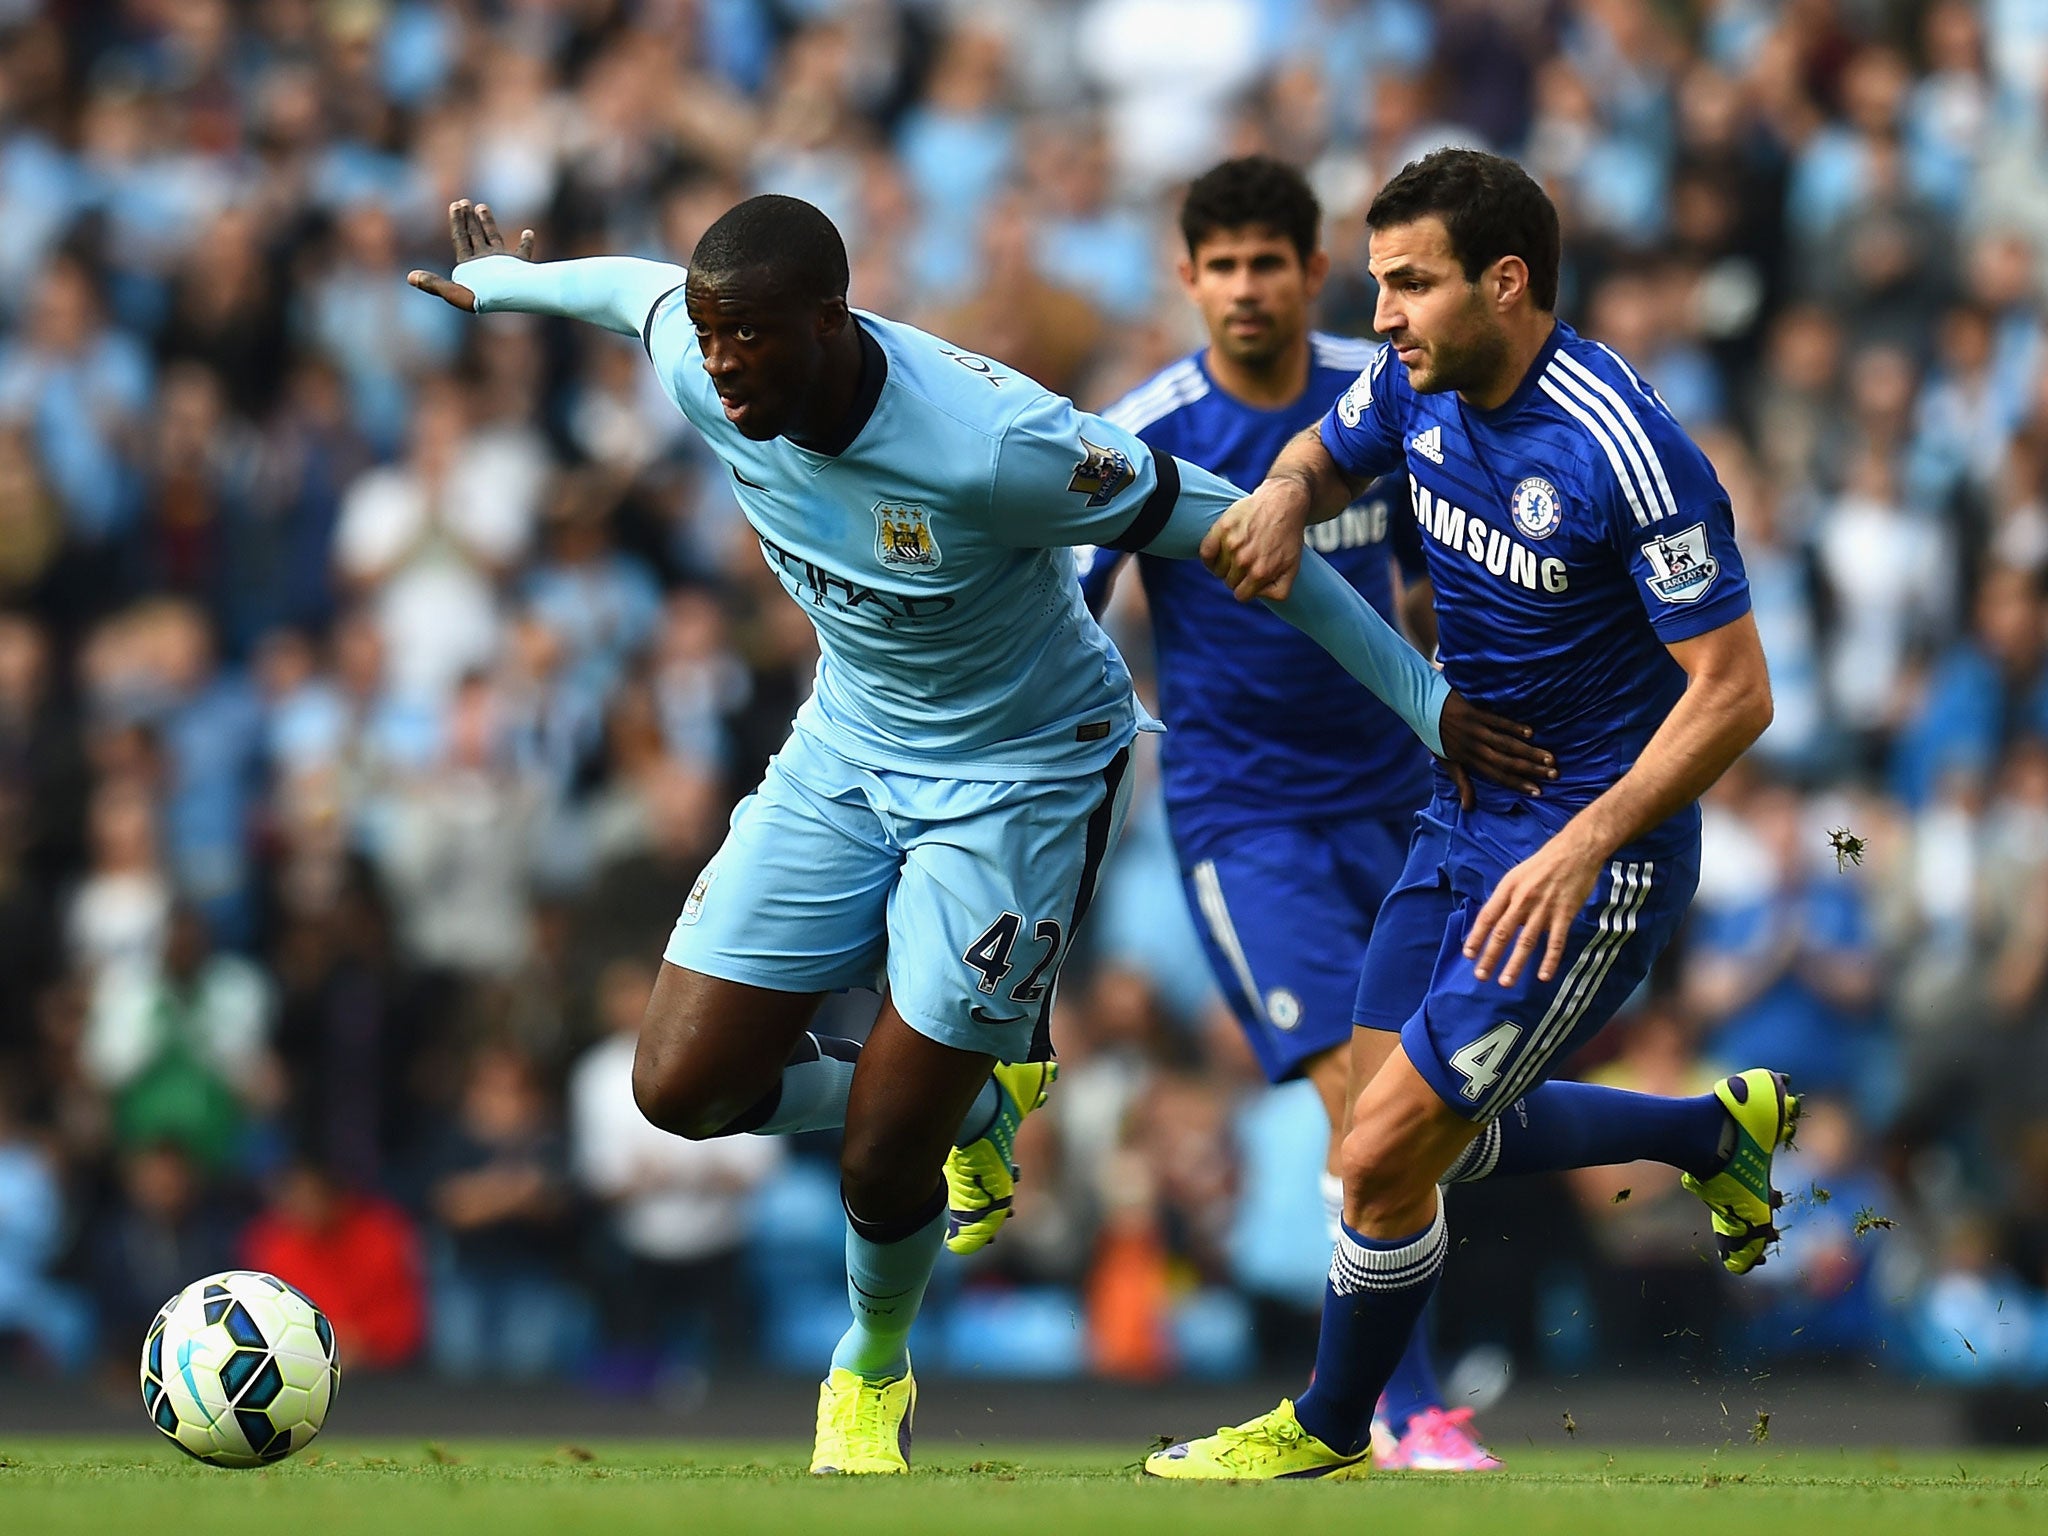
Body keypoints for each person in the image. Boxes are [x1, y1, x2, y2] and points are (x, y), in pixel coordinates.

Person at [409, 192, 1550, 1473]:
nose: (722, 366)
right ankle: (966, 1108)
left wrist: (1425, 701)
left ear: (830, 322)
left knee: (876, 1153)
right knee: (678, 1090)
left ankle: (869, 1369)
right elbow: (636, 293)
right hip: (846, 747)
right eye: (713, 337)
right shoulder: (701, 362)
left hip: (1020, 778)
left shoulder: (995, 445)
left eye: (750, 340)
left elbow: (1250, 531)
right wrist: (516, 285)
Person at [1148, 148, 1789, 1481]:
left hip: (1583, 863)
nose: (1379, 318)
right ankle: (1708, 1133)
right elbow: (1323, 454)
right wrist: (1276, 497)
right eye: (1378, 284)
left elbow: (1735, 696)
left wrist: (1582, 844)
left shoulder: (1623, 446)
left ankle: (1332, 1427)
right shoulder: (1413, 386)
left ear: (1507, 283)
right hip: (1457, 819)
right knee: (1404, 1130)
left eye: (1409, 285)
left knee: (1382, 1156)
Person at [1073, 155, 1495, 1471]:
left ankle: (1700, 1130)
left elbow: (1437, 569)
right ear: (1187, 278)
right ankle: (1405, 1406)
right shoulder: (1145, 433)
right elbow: (1067, 612)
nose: (1247, 286)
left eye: (1272, 261)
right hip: (1247, 822)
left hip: (1409, 804)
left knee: (1450, 1107)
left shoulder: (1378, 396)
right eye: (1223, 264)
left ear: (1315, 272)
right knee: (1365, 1116)